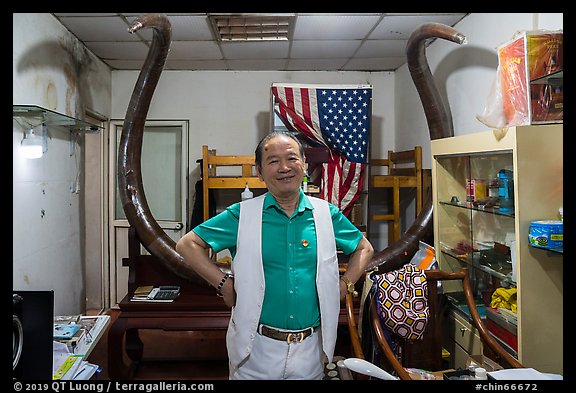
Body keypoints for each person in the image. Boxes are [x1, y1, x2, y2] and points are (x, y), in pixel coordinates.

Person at [176, 132, 374, 380]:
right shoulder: (243, 215)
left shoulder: (326, 214)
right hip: (254, 350)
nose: (284, 168)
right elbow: (187, 244)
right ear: (259, 172)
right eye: (272, 161)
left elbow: (364, 248)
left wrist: (345, 285)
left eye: (291, 158)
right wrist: (223, 282)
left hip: (311, 350)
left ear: (304, 165)